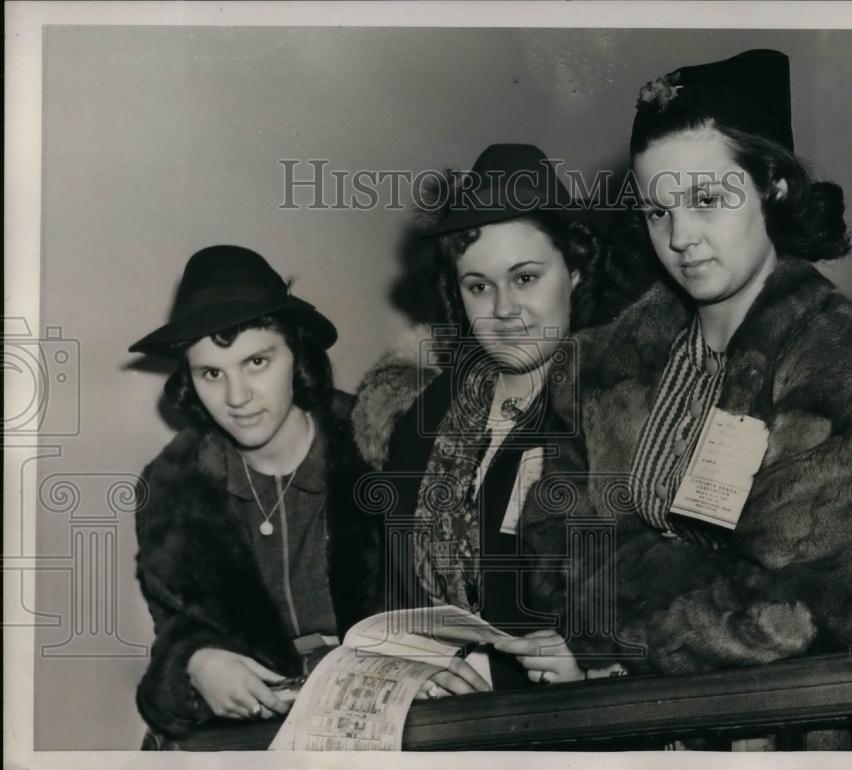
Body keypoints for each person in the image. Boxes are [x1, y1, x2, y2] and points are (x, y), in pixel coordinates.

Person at [519, 50, 852, 678]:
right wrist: (700, 585)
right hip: (645, 720)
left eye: (706, 198)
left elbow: (791, 605)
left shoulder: (850, 356)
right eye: (658, 209)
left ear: (775, 187)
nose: (680, 236)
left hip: (813, 722)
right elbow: (554, 557)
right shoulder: (596, 364)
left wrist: (617, 641)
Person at [350, 144, 606, 696]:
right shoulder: (428, 412)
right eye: (479, 286)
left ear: (577, 272)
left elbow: (662, 584)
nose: (503, 310)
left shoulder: (617, 404)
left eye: (526, 278)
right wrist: (408, 668)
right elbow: (391, 599)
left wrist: (599, 658)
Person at [130, 245, 380, 739]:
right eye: (211, 373)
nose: (237, 398)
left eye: (257, 362)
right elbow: (175, 631)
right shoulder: (172, 490)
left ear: (296, 356)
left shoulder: (382, 450)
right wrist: (195, 664)